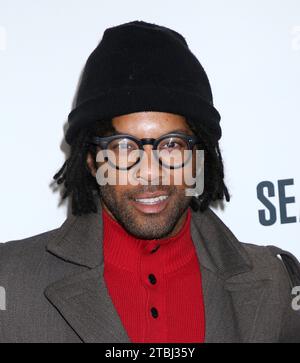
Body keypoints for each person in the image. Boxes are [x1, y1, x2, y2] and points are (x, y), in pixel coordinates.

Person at [0, 20, 300, 343]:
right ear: (91, 159)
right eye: (124, 147)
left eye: (171, 145)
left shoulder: (277, 285)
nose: (151, 172)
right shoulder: (10, 283)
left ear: (199, 155)